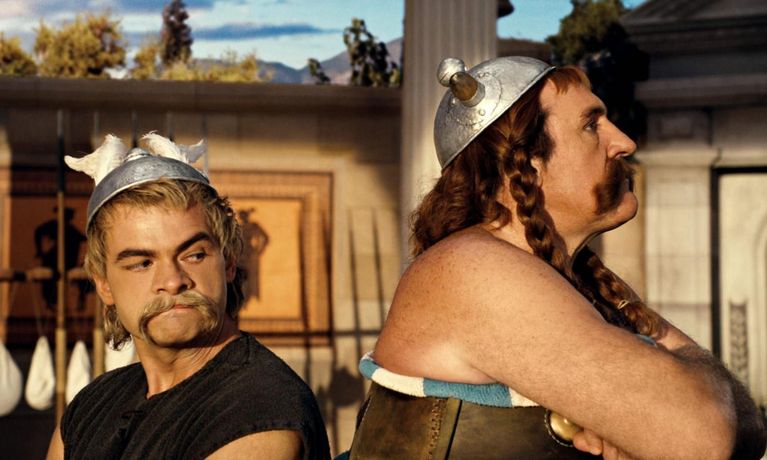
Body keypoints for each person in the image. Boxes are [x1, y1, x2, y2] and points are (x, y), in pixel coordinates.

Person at [347, 57, 766, 459]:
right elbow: (701, 438)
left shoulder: (579, 279)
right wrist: (670, 395)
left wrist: (660, 410)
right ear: (526, 162)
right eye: (591, 125)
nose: (624, 143)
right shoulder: (472, 270)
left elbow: (746, 429)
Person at [46, 133, 330, 459]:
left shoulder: (257, 409)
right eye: (142, 263)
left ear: (228, 263)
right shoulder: (91, 405)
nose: (172, 281)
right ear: (104, 285)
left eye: (194, 255)